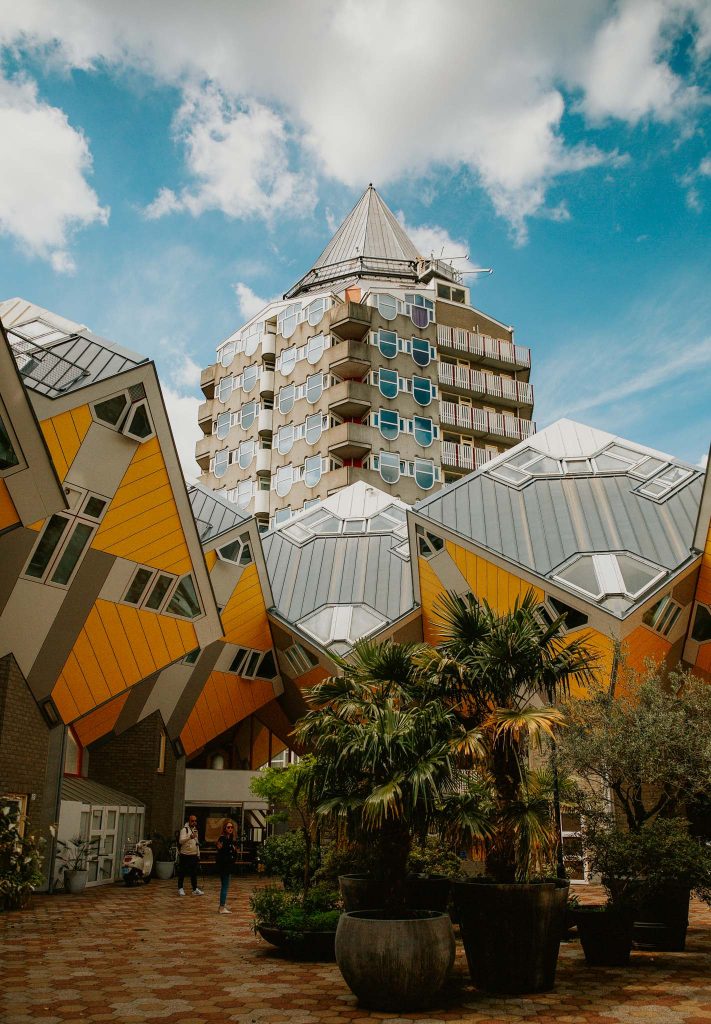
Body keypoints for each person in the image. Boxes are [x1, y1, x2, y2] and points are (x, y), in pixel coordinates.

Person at [177, 815, 203, 896]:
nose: (194, 822)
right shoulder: (184, 830)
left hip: (193, 855)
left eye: (195, 821)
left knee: (194, 873)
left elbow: (196, 842)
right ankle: (180, 888)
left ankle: (195, 889)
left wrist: (198, 853)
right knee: (182, 872)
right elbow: (181, 841)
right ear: (189, 821)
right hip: (185, 855)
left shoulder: (195, 830)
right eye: (192, 821)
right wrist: (189, 837)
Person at [215, 820, 238, 914]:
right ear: (224, 828)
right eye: (228, 827)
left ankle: (222, 905)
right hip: (224, 866)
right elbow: (220, 850)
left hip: (227, 865)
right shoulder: (223, 839)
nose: (230, 829)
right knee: (225, 886)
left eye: (232, 827)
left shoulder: (230, 839)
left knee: (225, 885)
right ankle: (221, 907)